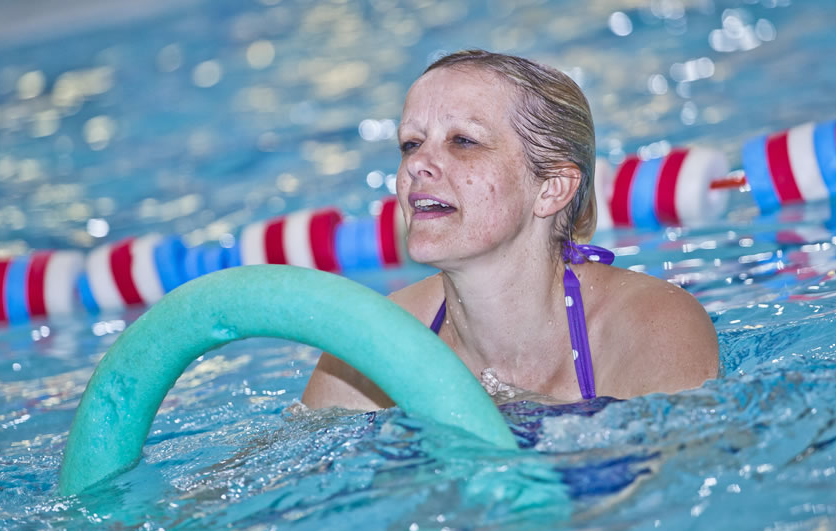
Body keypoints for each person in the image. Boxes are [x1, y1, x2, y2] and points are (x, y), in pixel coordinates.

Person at [302, 50, 718, 409]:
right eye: (411, 143)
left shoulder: (652, 327)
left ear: (551, 189)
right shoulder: (373, 345)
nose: (416, 164)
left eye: (463, 141)